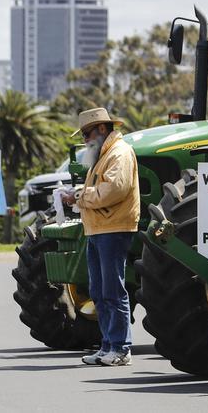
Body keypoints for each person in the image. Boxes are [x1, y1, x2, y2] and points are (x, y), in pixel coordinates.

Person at [61, 108, 139, 366]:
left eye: (86, 133)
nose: (84, 139)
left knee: (113, 290)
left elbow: (114, 189)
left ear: (102, 129)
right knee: (100, 291)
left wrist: (80, 197)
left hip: (113, 228)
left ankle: (120, 348)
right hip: (99, 229)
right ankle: (108, 346)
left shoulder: (119, 153)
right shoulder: (105, 154)